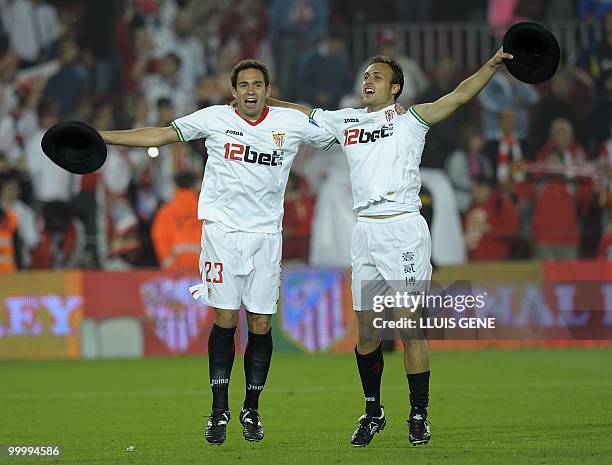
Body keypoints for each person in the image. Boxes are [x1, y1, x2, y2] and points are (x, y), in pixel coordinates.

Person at [266, 47, 514, 447]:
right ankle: (373, 411)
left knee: (409, 328)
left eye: (377, 77)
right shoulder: (346, 121)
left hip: (402, 230)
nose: (368, 81)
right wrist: (265, 101)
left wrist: (492, 64)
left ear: (396, 88)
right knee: (367, 335)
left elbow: (460, 96)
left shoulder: (411, 120)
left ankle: (419, 415)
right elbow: (303, 112)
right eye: (366, 75)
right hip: (365, 232)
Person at [97, 59, 336, 445]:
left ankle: (252, 409)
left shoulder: (288, 123)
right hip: (222, 234)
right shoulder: (213, 118)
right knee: (225, 317)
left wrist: (286, 104)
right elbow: (160, 134)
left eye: (258, 84)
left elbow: (327, 126)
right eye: (243, 85)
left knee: (260, 324)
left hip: (265, 237)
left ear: (267, 89)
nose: (250, 91)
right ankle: (219, 410)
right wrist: (102, 136)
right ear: (234, 91)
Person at [151, 171, 201, 270]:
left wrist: (167, 261)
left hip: (174, 270)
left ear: (176, 186)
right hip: (201, 268)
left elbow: (159, 237)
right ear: (193, 185)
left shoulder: (166, 211)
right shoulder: (204, 210)